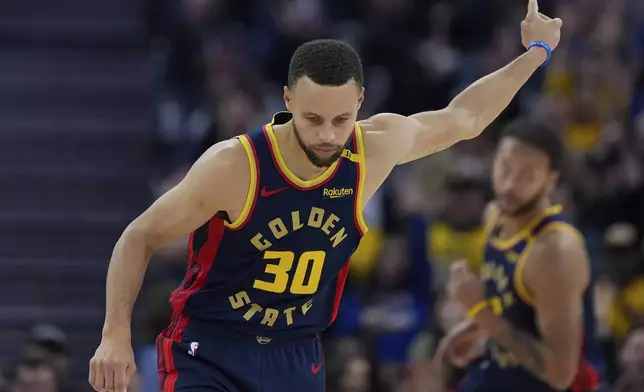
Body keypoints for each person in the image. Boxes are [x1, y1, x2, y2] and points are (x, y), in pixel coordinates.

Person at [89, 1, 562, 391]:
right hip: (212, 347)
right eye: (313, 120)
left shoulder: (374, 148)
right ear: (289, 101)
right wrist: (114, 334)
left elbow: (466, 118)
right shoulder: (236, 166)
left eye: (340, 119)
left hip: (298, 354)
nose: (328, 135)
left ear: (359, 101)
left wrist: (537, 51)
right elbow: (139, 236)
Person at [436, 119, 606, 392]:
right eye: (504, 167)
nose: (510, 184)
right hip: (499, 375)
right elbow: (517, 311)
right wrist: (476, 328)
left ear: (550, 182)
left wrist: (481, 312)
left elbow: (561, 375)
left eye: (527, 175)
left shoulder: (554, 252)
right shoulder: (495, 216)